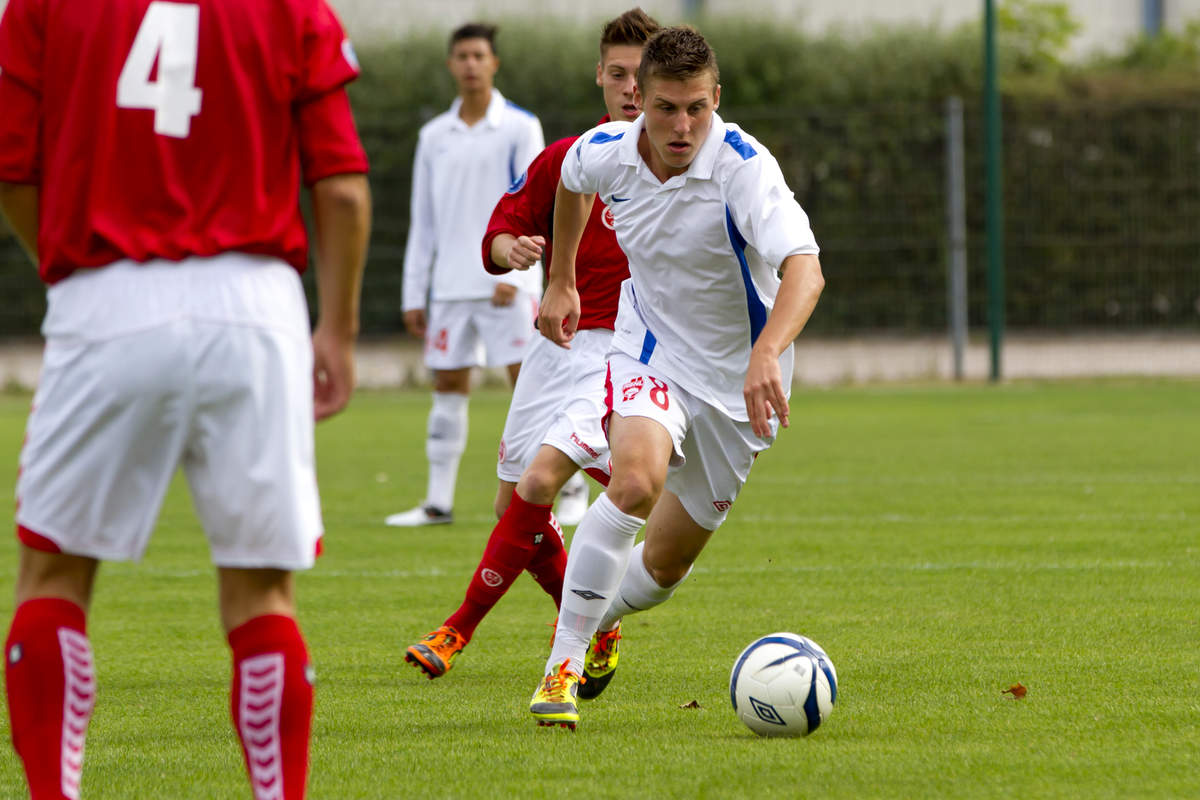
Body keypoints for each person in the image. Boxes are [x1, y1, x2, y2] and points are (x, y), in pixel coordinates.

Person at [0, 0, 371, 796]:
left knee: (53, 576)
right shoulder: (291, 6)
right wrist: (338, 330)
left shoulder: (40, 6)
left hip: (104, 289)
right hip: (255, 303)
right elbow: (341, 190)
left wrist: (72, 270)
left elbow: (12, 170)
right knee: (262, 592)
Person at [526, 26, 826, 730]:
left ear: (716, 97)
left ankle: (601, 617)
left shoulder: (743, 168)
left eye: (697, 108)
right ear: (640, 97)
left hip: (740, 387)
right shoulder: (606, 150)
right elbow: (570, 184)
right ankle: (561, 667)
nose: (682, 126)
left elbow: (805, 269)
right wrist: (561, 279)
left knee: (662, 570)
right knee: (634, 481)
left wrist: (766, 353)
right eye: (665, 108)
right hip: (650, 351)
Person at [403, 8, 661, 680]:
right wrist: (508, 249)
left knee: (541, 482)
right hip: (555, 347)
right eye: (618, 74)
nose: (631, 88)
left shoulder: (680, 169)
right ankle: (597, 623)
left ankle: (457, 629)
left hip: (624, 354)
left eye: (642, 75)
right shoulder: (571, 157)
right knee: (512, 504)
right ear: (600, 76)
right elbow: (499, 230)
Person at [386, 22, 554, 528]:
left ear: (494, 63)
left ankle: (562, 491)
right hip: (451, 288)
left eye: (479, 55)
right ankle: (437, 503)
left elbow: (538, 203)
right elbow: (424, 220)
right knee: (447, 386)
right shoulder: (434, 136)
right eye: (462, 56)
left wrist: (519, 277)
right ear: (451, 64)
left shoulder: (520, 126)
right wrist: (414, 293)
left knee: (530, 385)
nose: (471, 64)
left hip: (506, 283)